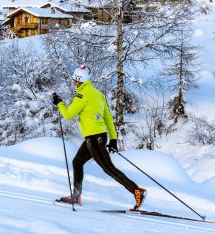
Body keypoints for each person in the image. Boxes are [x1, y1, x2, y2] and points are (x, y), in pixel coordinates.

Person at [53, 65, 146, 210]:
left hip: (94, 138)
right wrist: (113, 139)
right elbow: (108, 119)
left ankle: (136, 191)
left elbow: (68, 114)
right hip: (99, 136)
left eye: (74, 80)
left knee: (108, 168)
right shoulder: (98, 94)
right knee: (77, 162)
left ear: (79, 80)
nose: (73, 83)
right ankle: (76, 196)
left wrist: (59, 103)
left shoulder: (82, 95)